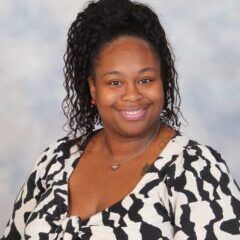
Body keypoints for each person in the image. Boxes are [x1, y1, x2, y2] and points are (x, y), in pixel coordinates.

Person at [2, 0, 240, 239]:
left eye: (145, 80)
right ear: (93, 89)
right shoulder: (55, 161)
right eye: (114, 82)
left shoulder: (196, 170)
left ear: (163, 82)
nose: (132, 95)